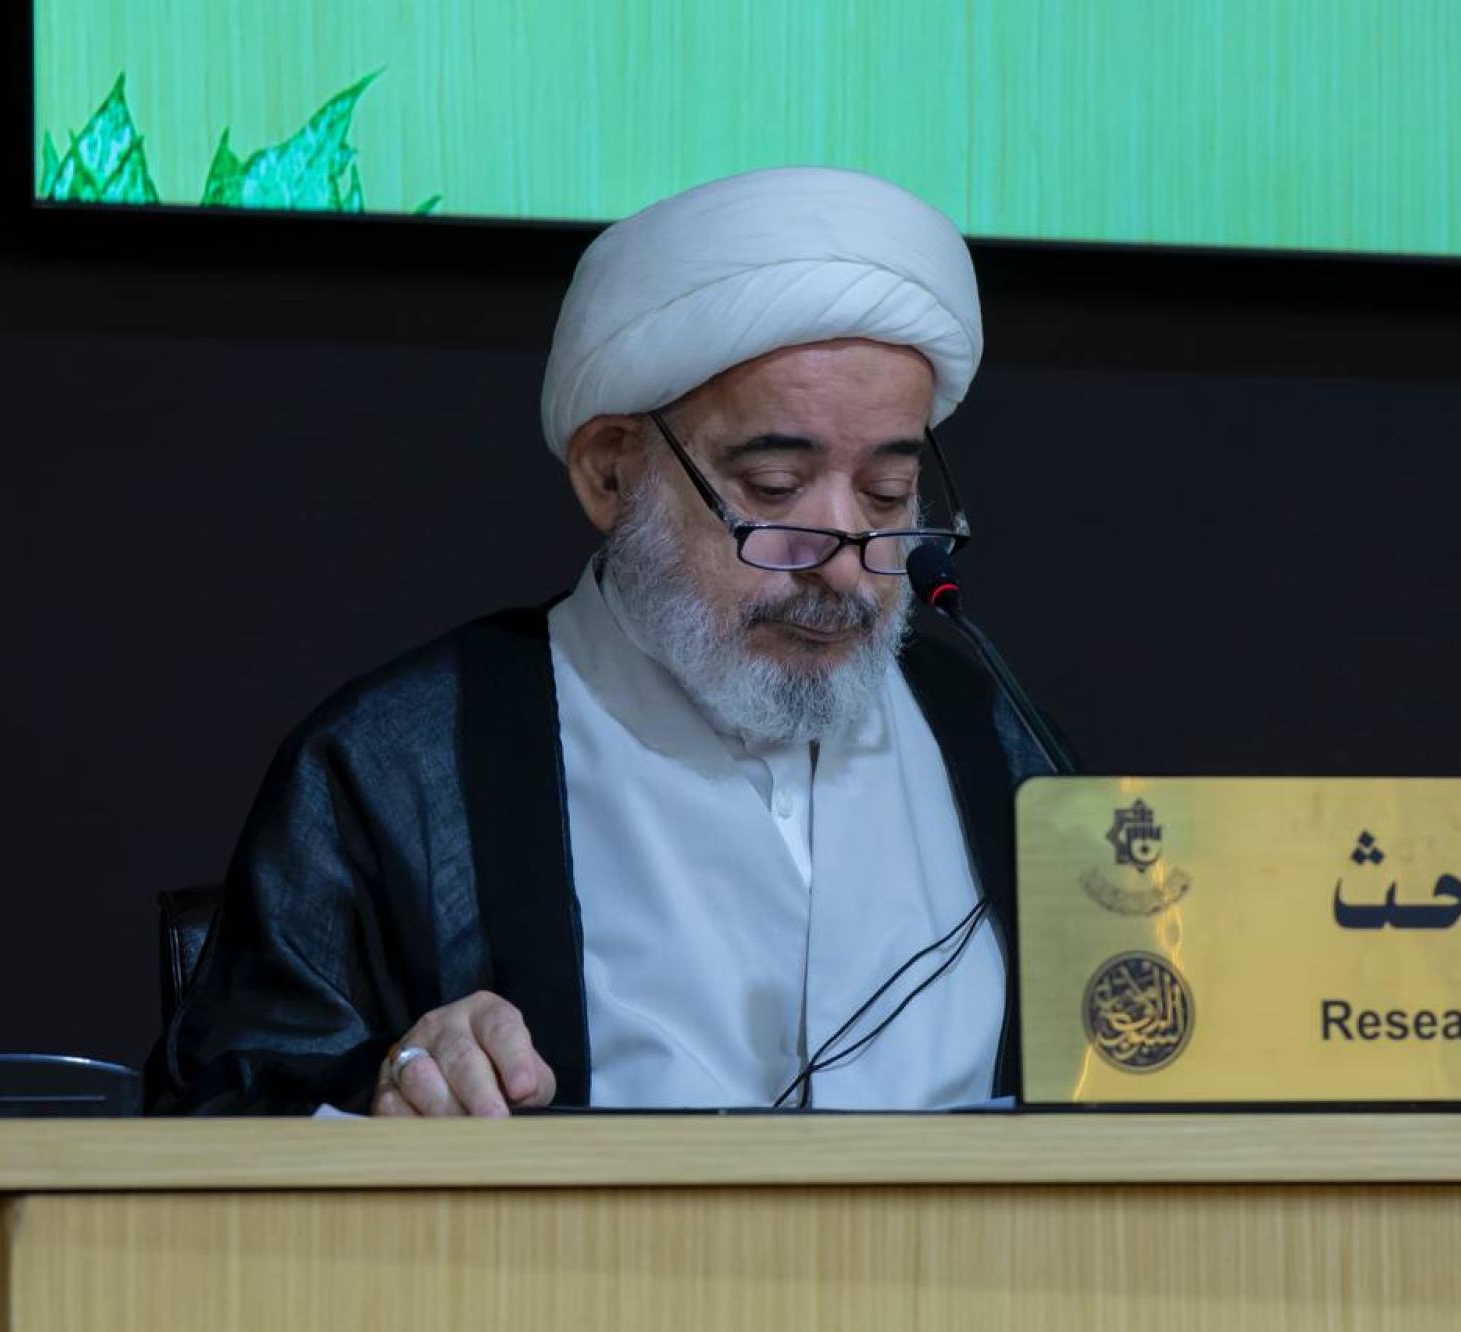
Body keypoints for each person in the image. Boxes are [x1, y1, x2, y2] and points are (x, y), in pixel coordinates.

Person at [151, 167, 1056, 1115]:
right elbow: (223, 1101)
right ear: (611, 473)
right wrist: (393, 1081)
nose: (842, 565)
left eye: (885, 496)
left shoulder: (986, 730)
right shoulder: (404, 760)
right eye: (776, 490)